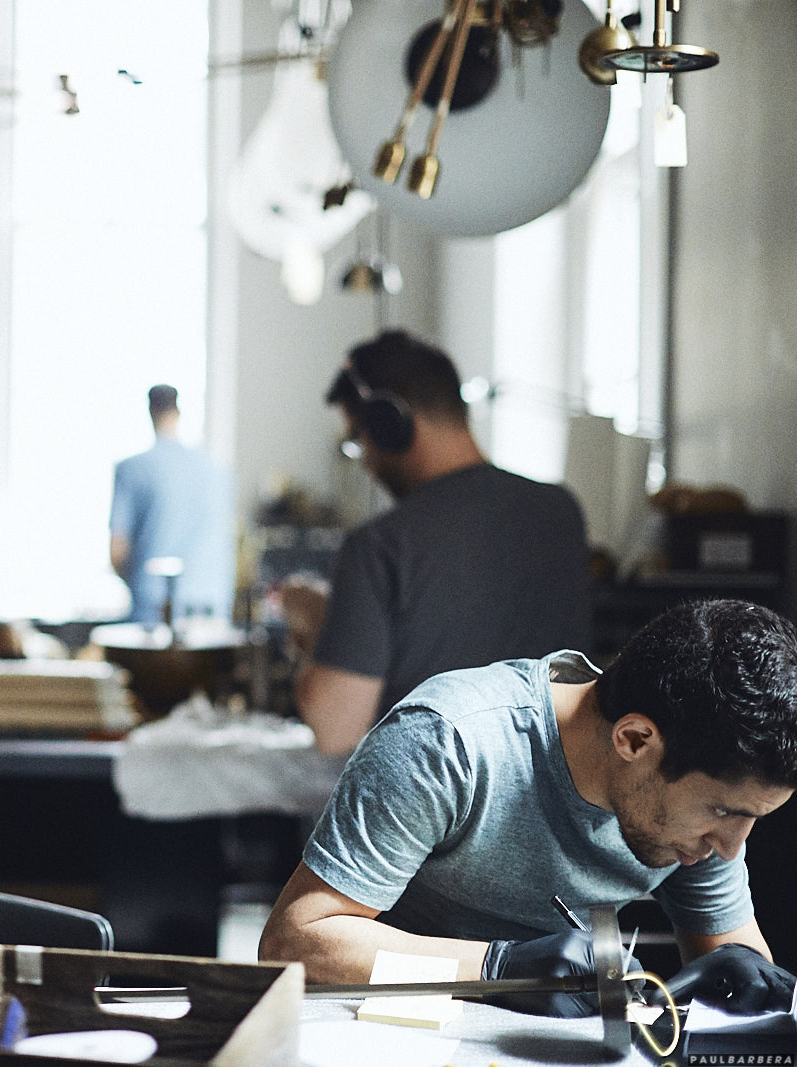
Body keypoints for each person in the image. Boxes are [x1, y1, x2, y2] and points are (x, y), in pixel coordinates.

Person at [258, 598, 797, 1017]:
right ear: (634, 740)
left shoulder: (695, 813)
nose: (732, 846)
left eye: (752, 817)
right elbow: (293, 942)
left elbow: (733, 967)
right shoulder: (449, 742)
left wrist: (742, 974)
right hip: (398, 1035)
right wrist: (499, 968)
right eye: (723, 812)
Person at [283, 329, 591, 755]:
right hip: (552, 792)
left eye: (358, 438)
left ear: (391, 425)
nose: (366, 462)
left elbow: (335, 730)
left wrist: (316, 631)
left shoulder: (379, 545)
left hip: (430, 793)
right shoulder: (561, 513)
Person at [109, 385, 235, 625]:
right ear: (178, 412)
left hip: (153, 609)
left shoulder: (131, 469)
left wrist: (138, 582)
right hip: (213, 607)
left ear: (150, 411)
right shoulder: (216, 470)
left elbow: (117, 551)